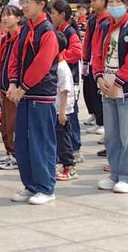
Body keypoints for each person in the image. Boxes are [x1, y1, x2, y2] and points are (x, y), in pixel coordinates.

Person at [8, 0, 59, 205]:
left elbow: (42, 63)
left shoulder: (47, 30)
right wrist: (12, 82)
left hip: (40, 94)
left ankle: (46, 187)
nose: (25, 5)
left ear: (41, 4)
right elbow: (15, 56)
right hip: (25, 93)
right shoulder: (26, 28)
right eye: (23, 0)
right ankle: (31, 185)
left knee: (41, 141)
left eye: (29, 1)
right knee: (23, 142)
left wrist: (23, 87)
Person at [92, 0, 128, 194]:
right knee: (112, 136)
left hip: (125, 91)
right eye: (111, 2)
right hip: (106, 89)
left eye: (119, 2)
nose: (114, 6)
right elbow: (97, 54)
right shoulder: (104, 26)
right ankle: (115, 173)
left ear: (127, 5)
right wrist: (99, 77)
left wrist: (117, 82)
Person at [50, 0, 83, 161]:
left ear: (62, 15)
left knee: (71, 114)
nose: (51, 16)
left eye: (53, 13)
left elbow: (77, 52)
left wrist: (59, 57)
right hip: (62, 78)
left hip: (70, 78)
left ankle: (75, 147)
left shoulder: (69, 31)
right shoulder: (58, 29)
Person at [0, 5, 22, 170]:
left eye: (10, 15)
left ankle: (16, 154)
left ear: (18, 18)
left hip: (15, 88)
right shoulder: (4, 38)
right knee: (5, 123)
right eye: (4, 15)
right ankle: (9, 153)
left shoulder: (20, 37)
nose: (5, 18)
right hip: (4, 86)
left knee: (14, 123)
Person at [83, 0, 108, 138]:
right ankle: (98, 119)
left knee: (100, 94)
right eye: (91, 1)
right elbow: (87, 40)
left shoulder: (107, 20)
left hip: (103, 61)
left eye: (95, 0)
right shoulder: (93, 19)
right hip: (92, 60)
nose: (92, 4)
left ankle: (104, 122)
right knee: (92, 92)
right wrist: (85, 59)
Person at [54, 31, 78, 181]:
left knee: (64, 139)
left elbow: (64, 91)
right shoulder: (56, 64)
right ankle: (64, 165)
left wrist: (62, 112)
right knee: (58, 137)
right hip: (56, 108)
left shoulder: (62, 67)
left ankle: (69, 167)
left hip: (62, 109)